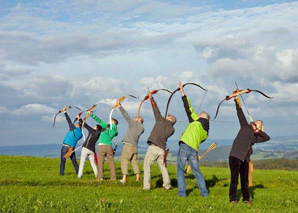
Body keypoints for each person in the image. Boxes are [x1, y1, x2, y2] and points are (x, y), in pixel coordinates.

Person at [229, 95, 270, 204]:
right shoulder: (245, 125)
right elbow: (240, 112)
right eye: (255, 121)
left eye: (258, 123)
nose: (255, 122)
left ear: (260, 128)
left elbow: (267, 138)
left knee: (244, 181)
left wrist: (258, 131)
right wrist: (236, 98)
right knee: (234, 179)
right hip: (235, 156)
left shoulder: (256, 137)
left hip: (245, 159)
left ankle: (246, 199)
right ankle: (233, 199)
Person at [176, 81, 210, 197]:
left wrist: (182, 91)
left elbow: (188, 107)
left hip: (185, 146)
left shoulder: (197, 120)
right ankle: (205, 194)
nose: (197, 114)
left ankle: (182, 194)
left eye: (199, 114)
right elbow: (202, 139)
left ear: (202, 116)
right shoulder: (205, 132)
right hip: (194, 150)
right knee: (197, 172)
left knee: (180, 170)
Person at [143, 90, 176, 190]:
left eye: (168, 116)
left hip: (153, 148)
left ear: (169, 119)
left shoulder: (161, 120)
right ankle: (167, 186)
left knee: (147, 167)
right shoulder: (172, 129)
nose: (167, 116)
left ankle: (146, 187)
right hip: (162, 150)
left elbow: (155, 109)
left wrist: (151, 98)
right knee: (163, 169)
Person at [118, 102, 144, 183]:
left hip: (128, 145)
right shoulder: (142, 128)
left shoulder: (133, 124)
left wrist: (120, 106)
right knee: (134, 162)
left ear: (138, 120)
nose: (134, 119)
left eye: (135, 118)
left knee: (124, 160)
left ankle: (124, 179)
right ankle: (137, 178)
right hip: (135, 147)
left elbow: (126, 115)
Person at [90, 113, 118, 181]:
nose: (108, 121)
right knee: (111, 162)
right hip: (109, 146)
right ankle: (113, 178)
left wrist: (90, 114)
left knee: (100, 161)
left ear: (112, 122)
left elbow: (99, 120)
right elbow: (116, 133)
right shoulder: (115, 130)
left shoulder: (107, 126)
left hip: (102, 146)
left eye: (109, 121)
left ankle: (100, 177)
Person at [77, 114, 102, 178]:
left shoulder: (92, 131)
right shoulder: (99, 134)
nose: (94, 126)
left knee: (82, 162)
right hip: (92, 150)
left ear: (96, 128)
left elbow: (85, 125)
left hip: (86, 148)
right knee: (93, 163)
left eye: (95, 126)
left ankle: (79, 175)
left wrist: (79, 118)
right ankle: (97, 175)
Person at [60, 108, 83, 176]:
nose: (75, 124)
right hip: (72, 148)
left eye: (77, 124)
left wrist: (65, 112)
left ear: (78, 125)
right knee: (74, 161)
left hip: (65, 146)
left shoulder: (73, 128)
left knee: (63, 161)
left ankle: (61, 174)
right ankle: (78, 173)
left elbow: (69, 121)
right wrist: (78, 119)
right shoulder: (81, 134)